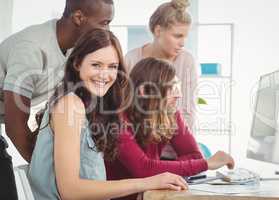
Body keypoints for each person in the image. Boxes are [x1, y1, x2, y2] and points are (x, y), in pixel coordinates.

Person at [28, 29, 188, 200]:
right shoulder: (70, 105)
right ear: (77, 64)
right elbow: (70, 191)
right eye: (96, 65)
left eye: (112, 67)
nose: (105, 75)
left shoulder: (91, 106)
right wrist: (147, 182)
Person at [0, 0, 114, 198]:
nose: (108, 30)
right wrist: (52, 176)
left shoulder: (74, 50)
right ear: (78, 18)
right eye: (104, 23)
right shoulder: (32, 48)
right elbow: (15, 127)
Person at [105, 57, 234, 200]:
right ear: (144, 91)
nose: (179, 94)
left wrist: (157, 169)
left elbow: (193, 155)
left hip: (152, 195)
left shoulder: (169, 112)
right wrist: (207, 164)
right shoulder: (117, 120)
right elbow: (143, 168)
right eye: (171, 88)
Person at [125, 0, 198, 131]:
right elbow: (125, 109)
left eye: (185, 37)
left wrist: (183, 145)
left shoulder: (187, 61)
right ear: (158, 31)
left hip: (176, 137)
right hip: (140, 137)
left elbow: (188, 110)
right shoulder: (131, 59)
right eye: (177, 36)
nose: (183, 43)